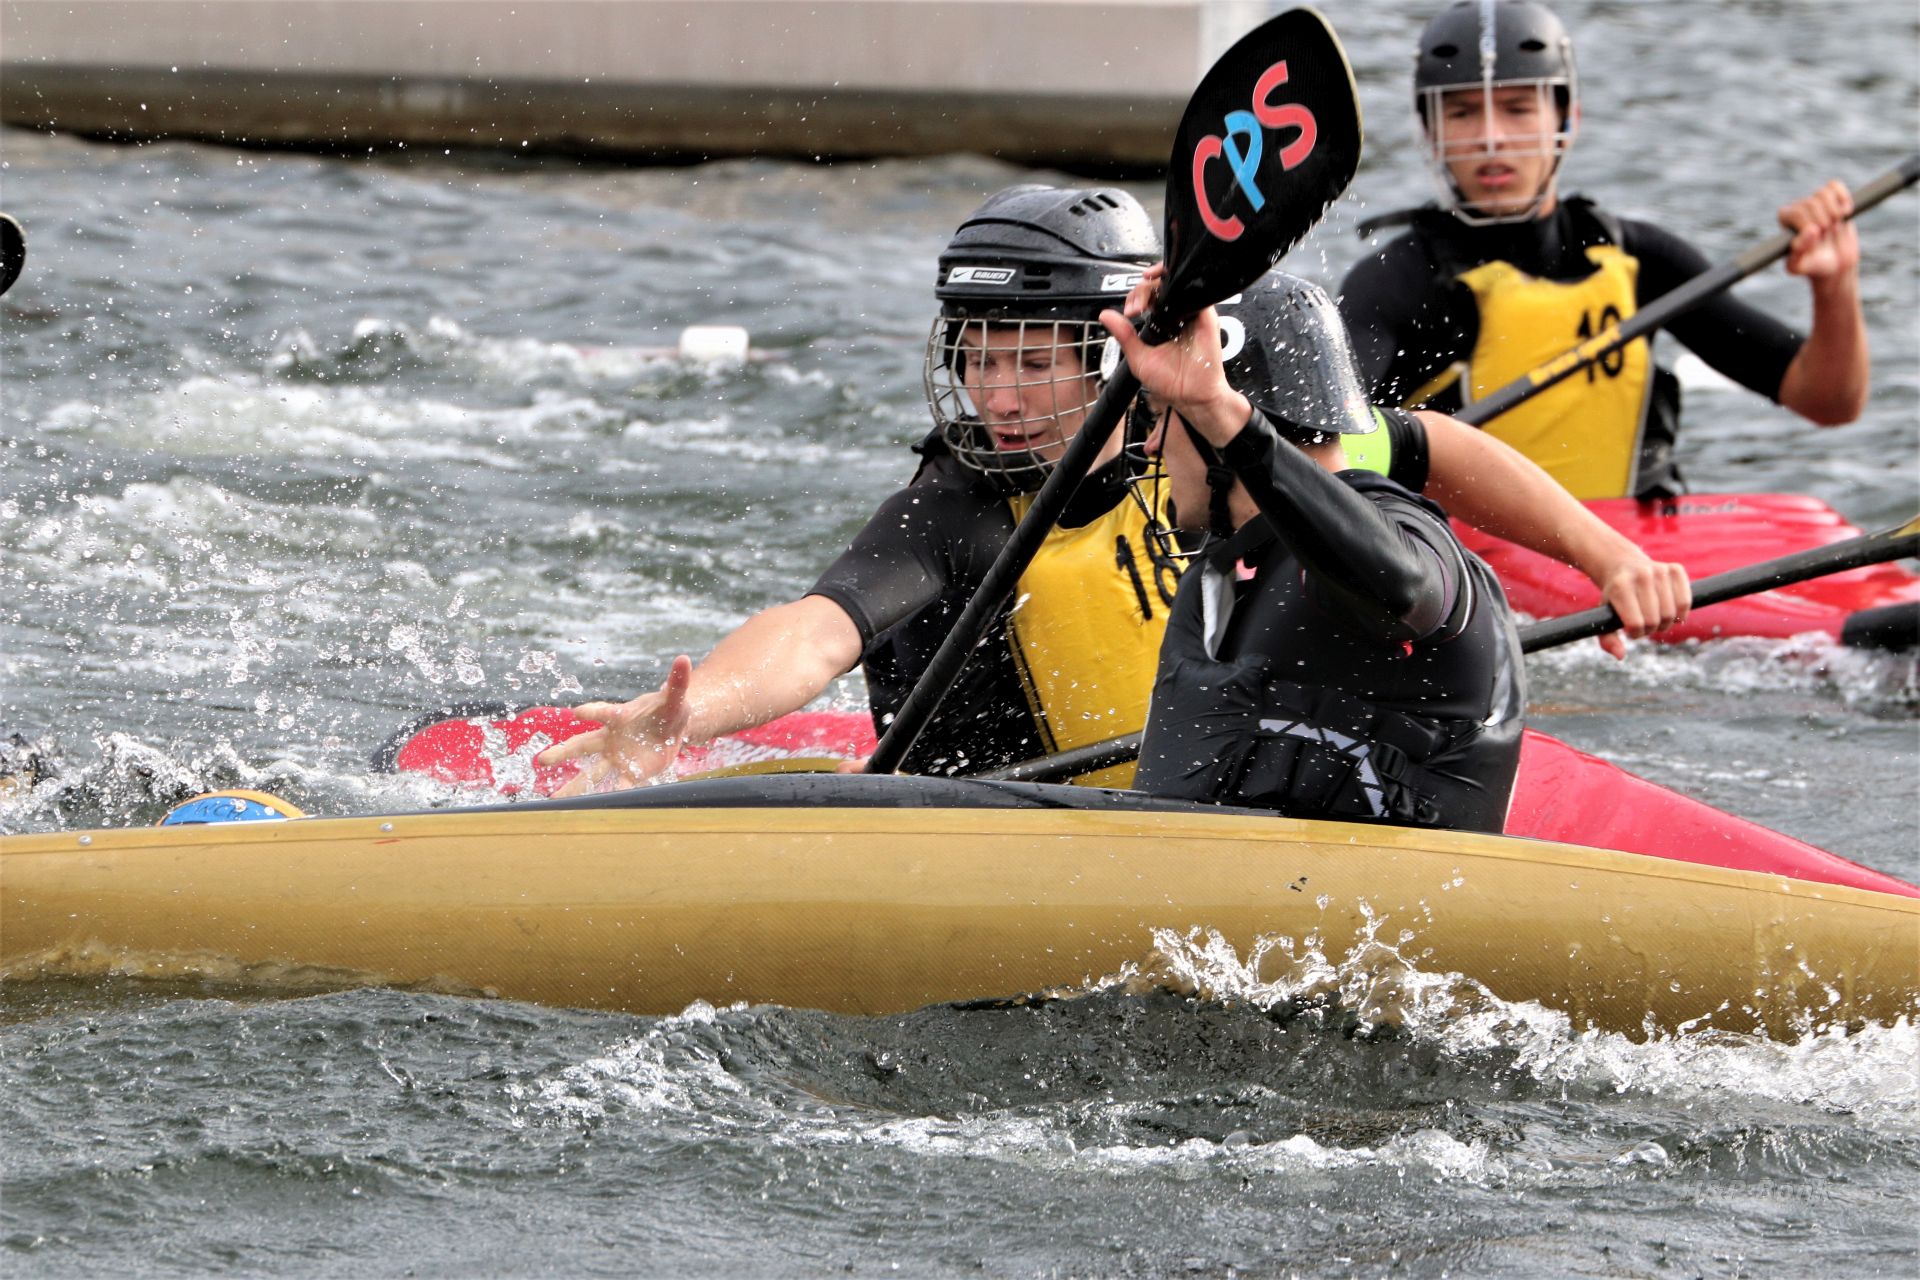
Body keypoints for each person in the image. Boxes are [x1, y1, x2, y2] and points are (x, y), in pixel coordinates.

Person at [539, 185, 1681, 796]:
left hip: (1193, 796)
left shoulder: (1222, 434)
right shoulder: (962, 502)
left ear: (1113, 352)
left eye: (1033, 358)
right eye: (980, 356)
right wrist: (697, 709)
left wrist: (1607, 555)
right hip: (1004, 815)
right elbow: (815, 630)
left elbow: (1430, 447)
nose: (999, 394)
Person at [1337, 0, 1869, 501]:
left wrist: (1835, 286)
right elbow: (1326, 447)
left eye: (1518, 108)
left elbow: (1828, 401)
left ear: (1566, 120)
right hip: (1463, 555)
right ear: (1430, 133)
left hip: (1633, 544)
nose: (1492, 138)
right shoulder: (1392, 284)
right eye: (1462, 113)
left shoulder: (1638, 260)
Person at [1107, 268, 1523, 832]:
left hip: (1388, 885)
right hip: (1208, 877)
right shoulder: (1228, 573)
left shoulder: (1408, 540)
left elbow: (1405, 593)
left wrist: (1221, 413)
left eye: (1160, 417)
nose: (1151, 444)